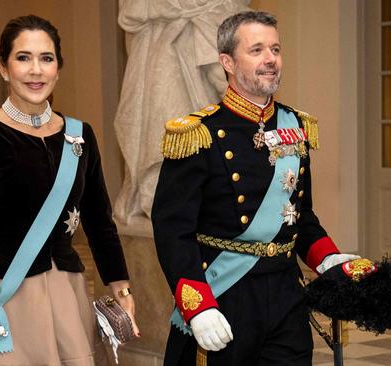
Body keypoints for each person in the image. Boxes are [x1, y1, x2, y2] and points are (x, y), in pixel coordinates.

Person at [151, 11, 359, 366]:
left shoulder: (296, 126)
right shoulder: (199, 133)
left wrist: (326, 258)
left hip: (285, 293)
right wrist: (197, 306)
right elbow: (173, 230)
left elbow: (299, 214)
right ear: (227, 62)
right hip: (225, 294)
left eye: (275, 50)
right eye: (257, 50)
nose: (270, 60)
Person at [0, 15, 140, 366]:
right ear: (4, 68)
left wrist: (120, 287)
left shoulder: (80, 135)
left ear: (58, 69)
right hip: (8, 295)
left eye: (46, 59)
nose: (36, 70)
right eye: (23, 58)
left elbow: (100, 221)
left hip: (69, 291)